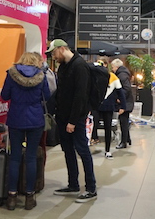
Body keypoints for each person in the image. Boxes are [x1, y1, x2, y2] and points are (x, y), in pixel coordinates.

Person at [46, 39, 97, 203]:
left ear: (62, 49)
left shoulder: (80, 66)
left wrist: (73, 121)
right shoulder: (64, 67)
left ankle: (91, 188)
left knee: (83, 151)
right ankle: (73, 184)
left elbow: (80, 96)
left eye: (54, 53)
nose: (53, 57)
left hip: (75, 119)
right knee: (67, 151)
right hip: (62, 117)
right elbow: (61, 92)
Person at [1, 52, 50, 211]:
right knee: (30, 158)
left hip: (16, 118)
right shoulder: (41, 76)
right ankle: (29, 197)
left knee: (15, 157)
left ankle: (12, 197)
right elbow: (47, 96)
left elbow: (4, 95)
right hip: (35, 120)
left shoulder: (11, 74)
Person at [93, 57, 126, 158]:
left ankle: (107, 150)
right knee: (93, 125)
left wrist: (123, 106)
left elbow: (121, 93)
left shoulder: (113, 77)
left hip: (108, 107)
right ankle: (92, 142)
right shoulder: (94, 76)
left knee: (108, 128)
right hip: (96, 106)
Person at [111, 58, 134, 149]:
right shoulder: (124, 74)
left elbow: (126, 88)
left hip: (125, 103)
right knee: (124, 121)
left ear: (116, 67)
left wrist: (120, 97)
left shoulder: (122, 75)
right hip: (127, 102)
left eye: (113, 67)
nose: (112, 69)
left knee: (123, 122)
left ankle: (123, 142)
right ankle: (127, 139)